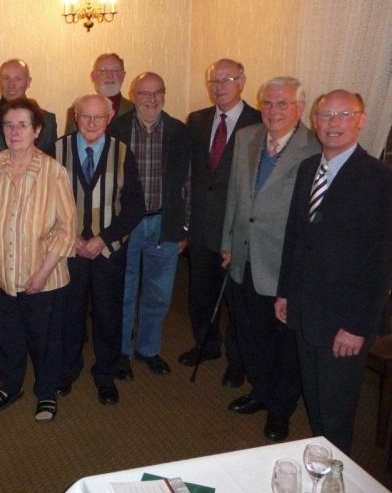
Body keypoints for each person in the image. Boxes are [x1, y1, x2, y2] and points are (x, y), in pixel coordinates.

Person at [276, 89, 392, 455]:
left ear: (362, 119)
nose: (333, 124)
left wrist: (359, 325)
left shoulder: (378, 179)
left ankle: (336, 475)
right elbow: (295, 238)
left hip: (346, 321)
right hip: (306, 309)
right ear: (314, 120)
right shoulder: (309, 168)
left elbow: (381, 263)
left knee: (337, 413)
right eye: (326, 115)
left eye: (344, 115)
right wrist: (284, 292)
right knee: (316, 403)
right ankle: (321, 463)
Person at [220, 77, 321, 442]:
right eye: (267, 103)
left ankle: (280, 410)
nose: (273, 111)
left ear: (299, 107)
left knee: (285, 343)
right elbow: (235, 193)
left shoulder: (314, 147)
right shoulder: (247, 137)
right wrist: (228, 241)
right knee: (251, 334)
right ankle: (261, 391)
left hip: (284, 263)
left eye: (282, 104)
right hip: (245, 255)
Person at [0, 97, 76, 423]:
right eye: (8, 125)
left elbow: (66, 229)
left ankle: (46, 392)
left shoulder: (53, 172)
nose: (14, 131)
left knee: (45, 340)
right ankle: (10, 385)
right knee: (5, 337)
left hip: (43, 277)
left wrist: (42, 274)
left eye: (22, 125)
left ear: (37, 130)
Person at [54, 94, 144, 405]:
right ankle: (67, 369)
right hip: (69, 250)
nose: (91, 123)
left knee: (109, 315)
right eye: (85, 116)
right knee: (69, 313)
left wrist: (103, 239)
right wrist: (74, 238)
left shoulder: (122, 153)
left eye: (98, 117)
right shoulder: (56, 150)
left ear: (109, 118)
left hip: (109, 252)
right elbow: (46, 204)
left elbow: (135, 208)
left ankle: (106, 373)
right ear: (75, 116)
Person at [181, 58, 261, 389]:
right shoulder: (196, 120)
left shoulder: (259, 121)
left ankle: (237, 361)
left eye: (227, 79)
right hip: (200, 226)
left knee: (237, 302)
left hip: (237, 228)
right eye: (215, 80)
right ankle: (206, 344)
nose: (220, 86)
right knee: (200, 293)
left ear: (242, 81)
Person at [107, 72, 191, 379]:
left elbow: (188, 183)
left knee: (159, 293)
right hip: (127, 225)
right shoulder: (116, 129)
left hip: (164, 224)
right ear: (133, 94)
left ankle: (149, 349)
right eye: (144, 93)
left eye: (158, 93)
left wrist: (184, 228)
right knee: (125, 292)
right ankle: (122, 352)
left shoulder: (180, 132)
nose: (151, 99)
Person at [0, 58, 57, 156]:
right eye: (6, 78)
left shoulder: (47, 120)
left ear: (28, 82)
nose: (11, 85)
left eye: (18, 79)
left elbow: (52, 165)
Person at [64, 53, 134, 134]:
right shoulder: (76, 110)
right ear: (93, 76)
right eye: (103, 71)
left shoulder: (134, 109)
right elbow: (69, 144)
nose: (110, 76)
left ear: (123, 76)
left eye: (115, 70)